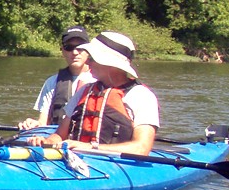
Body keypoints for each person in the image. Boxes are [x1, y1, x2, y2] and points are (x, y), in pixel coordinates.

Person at [29, 31, 159, 155]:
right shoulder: (84, 91)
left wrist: (91, 147)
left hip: (117, 165)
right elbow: (59, 135)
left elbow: (141, 148)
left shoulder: (142, 97)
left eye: (92, 58)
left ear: (110, 63)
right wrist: (47, 141)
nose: (88, 61)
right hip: (77, 161)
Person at [19, 26, 95, 130]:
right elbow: (43, 121)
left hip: (84, 142)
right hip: (55, 138)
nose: (75, 52)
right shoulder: (51, 82)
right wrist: (33, 124)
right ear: (62, 50)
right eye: (69, 47)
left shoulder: (100, 79)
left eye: (80, 47)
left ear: (88, 50)